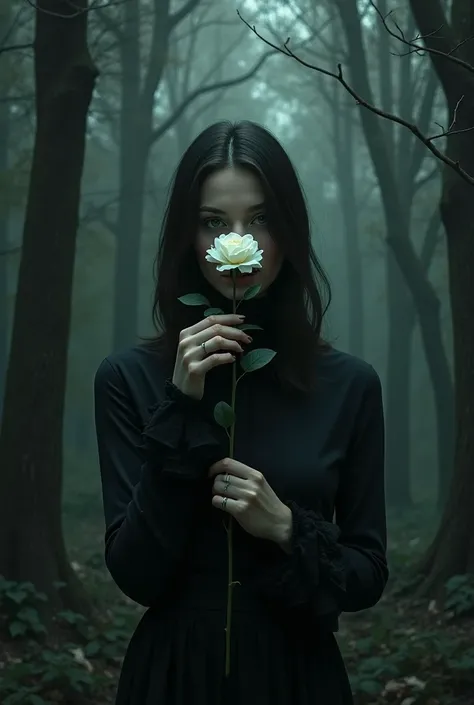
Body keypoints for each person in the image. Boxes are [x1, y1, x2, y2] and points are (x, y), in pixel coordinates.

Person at [94, 120, 388, 705]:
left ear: (288, 231)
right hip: (174, 677)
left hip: (298, 677)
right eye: (214, 223)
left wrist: (287, 528)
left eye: (260, 220)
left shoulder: (349, 385)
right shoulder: (128, 379)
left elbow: (366, 575)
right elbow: (138, 577)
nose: (239, 244)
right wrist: (181, 406)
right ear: (187, 236)